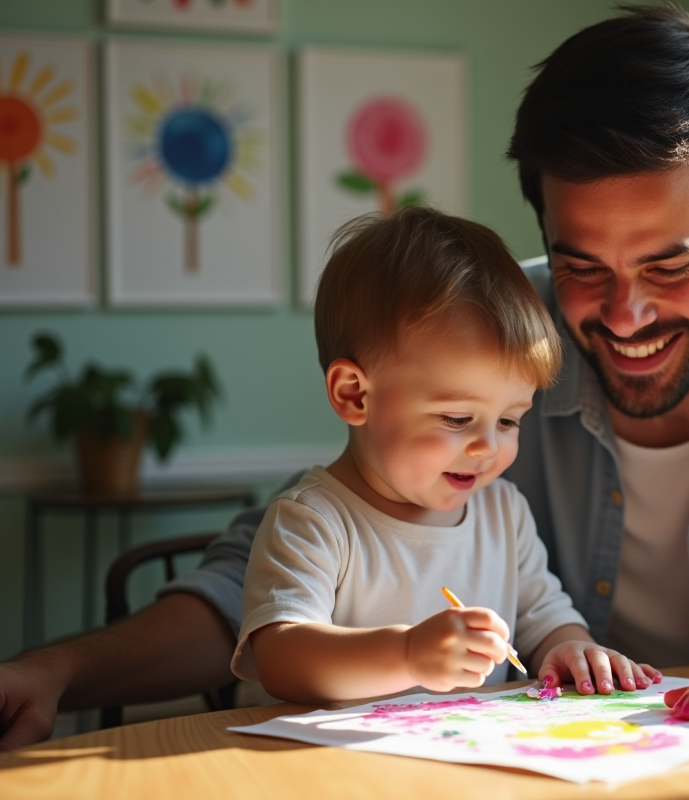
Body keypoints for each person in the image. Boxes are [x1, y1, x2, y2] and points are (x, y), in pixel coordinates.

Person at [0, 5, 689, 749]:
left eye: (667, 264)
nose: (622, 314)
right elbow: (262, 582)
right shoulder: (490, 333)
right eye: (580, 263)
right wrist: (58, 670)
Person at [232, 208, 659, 703]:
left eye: (509, 421)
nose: (488, 447)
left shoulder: (504, 513)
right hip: (330, 772)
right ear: (354, 395)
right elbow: (282, 659)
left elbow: (546, 618)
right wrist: (409, 654)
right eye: (457, 420)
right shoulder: (313, 521)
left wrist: (571, 648)